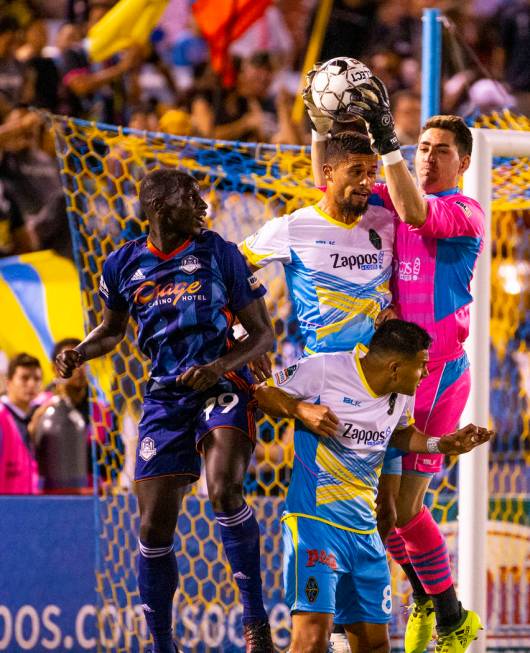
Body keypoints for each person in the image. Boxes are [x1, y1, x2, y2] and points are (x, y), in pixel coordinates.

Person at [55, 168, 275, 653]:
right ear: (158, 206)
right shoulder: (121, 265)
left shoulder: (220, 252)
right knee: (153, 527)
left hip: (223, 383)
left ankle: (256, 624)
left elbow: (263, 335)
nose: (201, 204)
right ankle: (162, 645)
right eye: (190, 196)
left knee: (223, 488)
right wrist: (80, 352)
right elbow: (112, 330)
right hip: (165, 398)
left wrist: (219, 364)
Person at [309, 78, 485, 651]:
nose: (427, 157)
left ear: (462, 162)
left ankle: (451, 613)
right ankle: (432, 603)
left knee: (404, 510)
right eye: (422, 148)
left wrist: (389, 140)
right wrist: (320, 127)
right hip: (387, 377)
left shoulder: (466, 212)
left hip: (435, 374)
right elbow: (325, 182)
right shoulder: (390, 191)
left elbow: (415, 210)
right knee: (381, 512)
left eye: (440, 151)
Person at [253, 319, 492, 653]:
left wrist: (443, 445)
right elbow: (263, 391)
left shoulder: (401, 394)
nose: (425, 375)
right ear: (395, 367)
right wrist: (300, 409)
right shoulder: (324, 369)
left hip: (365, 534)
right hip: (316, 525)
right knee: (310, 640)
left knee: (375, 644)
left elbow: (401, 433)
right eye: (421, 367)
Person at [240, 130, 396, 355]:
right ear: (328, 172)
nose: (366, 182)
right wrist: (245, 334)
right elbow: (231, 270)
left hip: (380, 363)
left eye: (372, 172)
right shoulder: (292, 227)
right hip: (323, 366)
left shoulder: (386, 220)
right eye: (356, 171)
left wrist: (395, 307)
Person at [0, 352, 41, 494]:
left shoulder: (33, 418)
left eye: (36, 379)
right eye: (24, 378)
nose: (31, 384)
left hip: (24, 507)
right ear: (8, 382)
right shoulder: (1, 417)